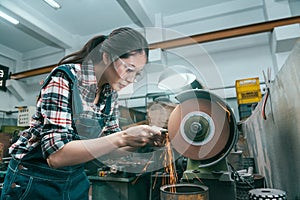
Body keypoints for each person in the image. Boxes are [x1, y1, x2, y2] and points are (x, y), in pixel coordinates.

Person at [1, 27, 165, 200]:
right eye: (129, 69)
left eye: (137, 74)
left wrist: (143, 141)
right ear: (107, 56)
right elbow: (56, 156)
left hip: (74, 179)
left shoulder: (110, 94)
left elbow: (108, 149)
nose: (131, 79)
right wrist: (123, 137)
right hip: (34, 180)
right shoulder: (65, 78)